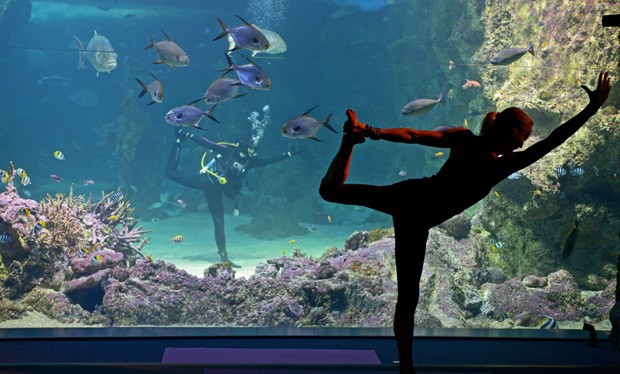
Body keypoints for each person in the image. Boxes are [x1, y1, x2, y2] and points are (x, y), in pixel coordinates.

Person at [319, 72, 611, 373]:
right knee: (407, 299)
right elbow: (552, 141)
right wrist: (590, 109)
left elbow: (412, 135)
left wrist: (370, 130)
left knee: (331, 192)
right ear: (510, 132)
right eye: (522, 138)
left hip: (410, 205)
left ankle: (350, 140)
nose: (524, 145)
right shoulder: (497, 162)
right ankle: (406, 368)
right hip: (413, 209)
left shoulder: (469, 143)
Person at [166, 128, 297, 266]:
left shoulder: (250, 161)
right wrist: (188, 135)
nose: (254, 151)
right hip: (206, 181)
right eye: (252, 148)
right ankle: (178, 142)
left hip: (216, 192)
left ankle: (224, 258)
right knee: (170, 172)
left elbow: (268, 160)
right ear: (245, 146)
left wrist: (288, 154)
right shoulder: (229, 151)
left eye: (255, 148)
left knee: (219, 224)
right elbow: (208, 143)